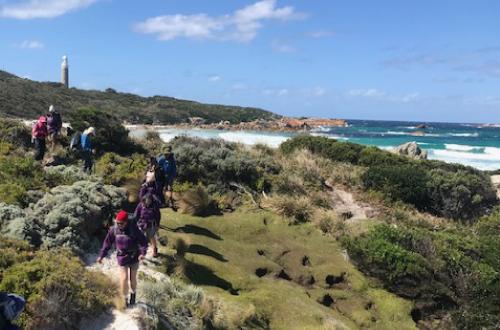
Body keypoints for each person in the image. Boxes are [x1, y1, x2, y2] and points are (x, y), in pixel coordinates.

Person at [97, 211, 148, 306]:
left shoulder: (133, 229)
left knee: (133, 279)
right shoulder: (114, 230)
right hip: (122, 257)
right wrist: (101, 255)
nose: (119, 225)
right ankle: (124, 299)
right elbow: (107, 243)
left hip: (134, 256)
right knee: (124, 279)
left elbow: (144, 242)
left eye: (121, 223)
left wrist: (143, 253)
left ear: (127, 222)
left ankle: (133, 294)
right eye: (117, 223)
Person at [134, 193, 161, 257]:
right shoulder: (141, 205)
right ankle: (140, 250)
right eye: (147, 201)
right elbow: (136, 214)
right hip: (141, 223)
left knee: (151, 236)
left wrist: (157, 225)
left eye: (150, 201)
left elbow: (158, 216)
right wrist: (134, 222)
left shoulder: (154, 206)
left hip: (150, 224)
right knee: (140, 237)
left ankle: (154, 249)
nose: (148, 203)